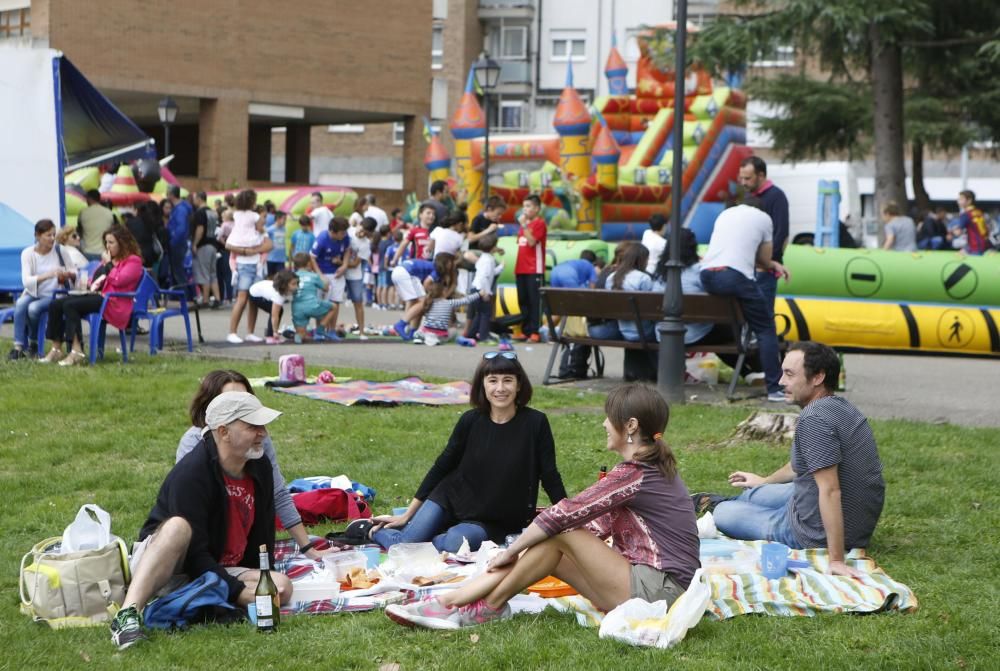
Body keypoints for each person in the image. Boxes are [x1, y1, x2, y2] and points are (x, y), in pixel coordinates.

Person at [385, 383, 700, 630]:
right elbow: (595, 526)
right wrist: (519, 548)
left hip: (661, 593)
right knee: (552, 545)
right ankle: (465, 604)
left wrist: (512, 550)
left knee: (561, 532)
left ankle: (468, 604)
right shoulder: (643, 469)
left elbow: (566, 513)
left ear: (630, 425)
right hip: (645, 590)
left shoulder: (636, 473)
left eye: (609, 416)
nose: (604, 423)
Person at [109, 391, 291, 650]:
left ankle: (193, 599)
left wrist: (263, 577)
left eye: (263, 426)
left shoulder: (258, 466)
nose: (263, 433)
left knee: (281, 588)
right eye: (253, 426)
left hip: (212, 566)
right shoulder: (193, 472)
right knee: (177, 528)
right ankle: (127, 615)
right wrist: (237, 591)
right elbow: (194, 554)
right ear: (223, 432)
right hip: (170, 563)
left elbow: (263, 534)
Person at [693, 342, 885, 578]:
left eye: (790, 374)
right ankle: (743, 499)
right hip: (855, 521)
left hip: (814, 532)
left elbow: (831, 490)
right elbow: (799, 465)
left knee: (723, 513)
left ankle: (718, 503)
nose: (781, 381)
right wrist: (764, 480)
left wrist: (835, 560)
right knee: (755, 493)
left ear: (818, 378)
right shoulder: (842, 408)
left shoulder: (814, 419)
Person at [372, 351, 567, 553]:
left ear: (519, 385)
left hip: (494, 520)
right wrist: (408, 515)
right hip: (450, 498)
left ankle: (429, 538)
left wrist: (568, 518)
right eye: (493, 380)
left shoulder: (536, 423)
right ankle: (369, 530)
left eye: (507, 380)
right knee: (404, 544)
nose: (500, 388)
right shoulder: (470, 420)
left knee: (454, 544)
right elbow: (442, 467)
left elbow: (550, 476)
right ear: (483, 384)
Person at [175, 370, 330, 559]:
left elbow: (278, 492)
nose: (261, 433)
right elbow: (188, 514)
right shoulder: (194, 450)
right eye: (231, 400)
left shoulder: (258, 445)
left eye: (245, 399)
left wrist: (307, 548)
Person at [699, 198, 789, 402]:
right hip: (734, 276)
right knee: (766, 328)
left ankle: (743, 335)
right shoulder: (764, 218)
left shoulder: (725, 214)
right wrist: (773, 264)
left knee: (738, 308)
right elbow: (764, 259)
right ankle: (775, 389)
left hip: (707, 275)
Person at [40, 225, 144, 366]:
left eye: (111, 242)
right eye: (106, 242)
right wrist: (87, 284)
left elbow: (119, 281)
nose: (107, 246)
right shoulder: (109, 260)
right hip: (99, 296)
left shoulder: (133, 261)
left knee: (70, 305)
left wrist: (108, 265)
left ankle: (77, 352)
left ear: (123, 242)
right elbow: (96, 279)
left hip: (114, 302)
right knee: (56, 304)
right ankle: (56, 348)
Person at [9, 220, 71, 360]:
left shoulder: (60, 250)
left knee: (33, 308)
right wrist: (48, 275)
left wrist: (68, 275)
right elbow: (26, 281)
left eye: (54, 235)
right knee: (20, 304)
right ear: (37, 235)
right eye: (48, 235)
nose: (52, 238)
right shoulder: (28, 253)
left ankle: (33, 344)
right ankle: (18, 348)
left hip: (55, 294)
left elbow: (74, 271)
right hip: (34, 292)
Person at [738, 156, 789, 309]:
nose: (743, 183)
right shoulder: (748, 195)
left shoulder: (776, 196)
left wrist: (767, 263)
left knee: (764, 316)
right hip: (746, 267)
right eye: (741, 178)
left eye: (747, 178)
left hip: (764, 268)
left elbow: (781, 233)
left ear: (761, 176)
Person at [225, 190, 273, 344]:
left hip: (247, 261)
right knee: (245, 298)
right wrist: (253, 248)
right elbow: (261, 230)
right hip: (249, 264)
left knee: (249, 298)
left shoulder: (237, 215)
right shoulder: (254, 217)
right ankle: (237, 331)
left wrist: (246, 250)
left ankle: (243, 332)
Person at [588, 244, 653, 342]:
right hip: (643, 333)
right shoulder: (644, 278)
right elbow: (650, 309)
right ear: (642, 260)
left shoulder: (611, 277)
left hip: (622, 330)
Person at [391, 253, 454, 340]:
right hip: (408, 273)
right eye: (451, 262)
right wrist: (427, 295)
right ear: (447, 263)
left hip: (398, 271)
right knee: (423, 304)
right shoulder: (437, 270)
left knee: (415, 304)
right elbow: (427, 282)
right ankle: (401, 324)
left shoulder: (430, 264)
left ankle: (411, 331)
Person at [309, 216, 352, 338]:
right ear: (333, 232)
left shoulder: (345, 237)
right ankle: (319, 330)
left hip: (337, 273)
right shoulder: (322, 239)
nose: (344, 235)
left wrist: (344, 265)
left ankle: (331, 331)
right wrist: (320, 275)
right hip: (323, 273)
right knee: (321, 303)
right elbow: (312, 257)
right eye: (342, 233)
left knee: (335, 302)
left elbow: (348, 250)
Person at [514, 194, 546, 342]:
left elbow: (532, 242)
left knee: (534, 301)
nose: (525, 209)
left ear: (537, 208)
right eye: (524, 206)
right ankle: (525, 330)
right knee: (523, 299)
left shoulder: (539, 224)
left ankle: (535, 331)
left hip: (535, 269)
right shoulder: (523, 225)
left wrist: (524, 225)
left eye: (528, 206)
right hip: (520, 268)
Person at [465, 232, 504, 343]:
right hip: (481, 289)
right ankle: (483, 336)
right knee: (486, 313)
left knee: (480, 313)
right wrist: (486, 292)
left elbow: (491, 273)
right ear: (492, 248)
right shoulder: (488, 260)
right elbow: (485, 277)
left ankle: (471, 334)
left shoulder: (484, 258)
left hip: (476, 288)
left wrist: (501, 267)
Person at [291, 252, 338, 341]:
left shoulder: (292, 276)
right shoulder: (313, 276)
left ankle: (299, 336)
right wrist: (317, 270)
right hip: (312, 305)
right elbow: (326, 288)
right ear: (309, 263)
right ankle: (320, 329)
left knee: (301, 335)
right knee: (334, 307)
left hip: (297, 308)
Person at [344, 217, 376, 340]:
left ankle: (362, 332)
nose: (361, 234)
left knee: (358, 302)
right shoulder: (348, 231)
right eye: (361, 230)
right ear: (359, 225)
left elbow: (356, 263)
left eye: (365, 234)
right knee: (333, 301)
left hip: (354, 274)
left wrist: (341, 263)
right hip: (339, 271)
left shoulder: (366, 244)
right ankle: (328, 330)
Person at [248, 270, 298, 343]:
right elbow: (274, 316)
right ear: (284, 285)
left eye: (296, 283)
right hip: (254, 295)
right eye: (293, 284)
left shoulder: (282, 290)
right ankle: (270, 336)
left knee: (278, 310)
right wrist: (275, 332)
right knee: (277, 311)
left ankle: (270, 332)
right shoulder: (278, 295)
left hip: (258, 288)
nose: (296, 286)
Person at [191, 192, 221, 308]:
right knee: (213, 273)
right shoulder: (213, 212)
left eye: (195, 199)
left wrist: (195, 243)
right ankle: (217, 298)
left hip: (203, 245)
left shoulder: (200, 213)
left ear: (199, 199)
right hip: (213, 245)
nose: (194, 201)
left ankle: (205, 300)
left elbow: (200, 228)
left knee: (204, 273)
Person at [165, 186, 193, 288]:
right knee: (176, 271)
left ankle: (183, 295)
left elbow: (181, 228)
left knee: (178, 271)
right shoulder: (180, 208)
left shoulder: (180, 210)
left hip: (178, 244)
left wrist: (172, 241)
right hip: (179, 243)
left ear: (171, 195)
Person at [77, 189, 115, 260]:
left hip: (87, 252)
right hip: (105, 253)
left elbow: (79, 231)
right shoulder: (109, 213)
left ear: (89, 198)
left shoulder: (83, 213)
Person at [952, 190, 990, 255]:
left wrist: (952, 231)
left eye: (961, 199)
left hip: (975, 246)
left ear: (969, 200)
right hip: (985, 244)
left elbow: (958, 233)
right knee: (961, 253)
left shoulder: (966, 214)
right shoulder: (979, 212)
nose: (958, 201)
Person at [265, 211, 288, 277]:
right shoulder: (270, 230)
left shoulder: (284, 229)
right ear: (278, 219)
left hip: (281, 259)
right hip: (271, 258)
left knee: (280, 277)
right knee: (270, 277)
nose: (285, 221)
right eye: (284, 219)